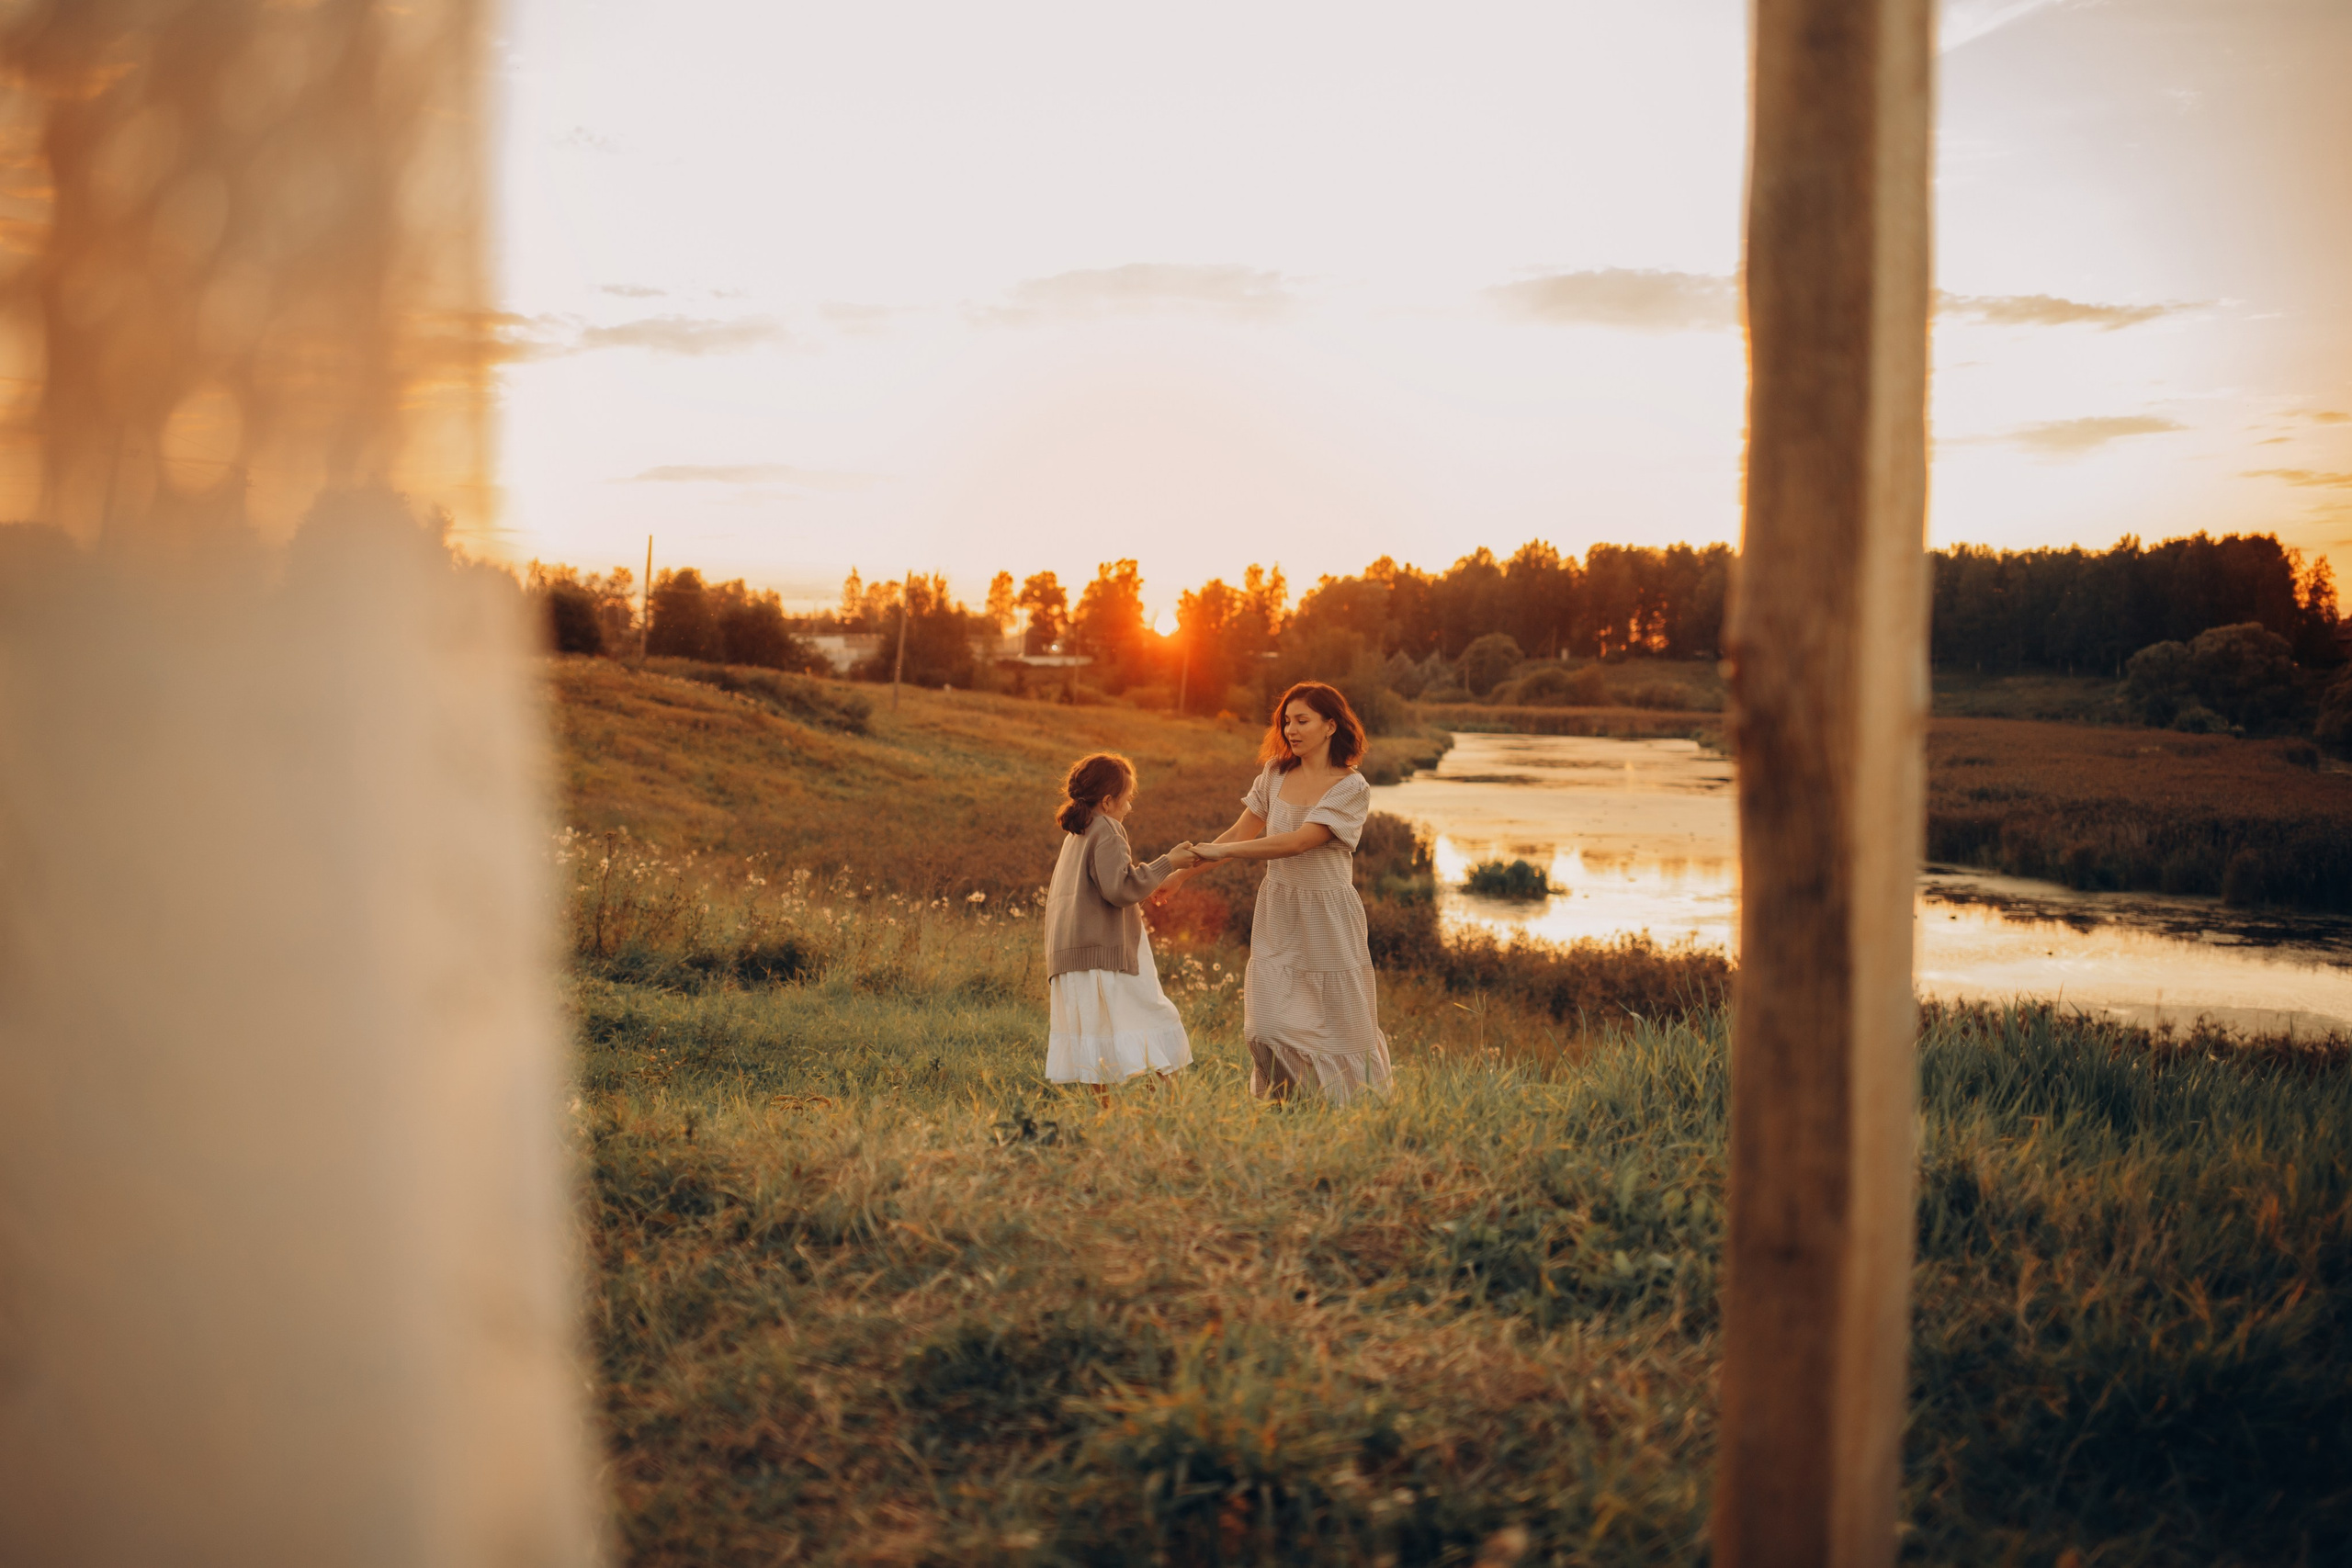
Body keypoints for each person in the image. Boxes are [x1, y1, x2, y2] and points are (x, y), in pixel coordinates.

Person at [1177, 682, 1394, 1102]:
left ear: (1330, 726)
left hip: (1328, 913)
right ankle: (1286, 1104)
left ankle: (1353, 1107)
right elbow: (1242, 832)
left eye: (1302, 720)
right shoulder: (1275, 775)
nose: (1291, 730)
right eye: (1286, 721)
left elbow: (1298, 841)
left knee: (1340, 1022)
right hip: (1279, 907)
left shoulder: (1352, 787)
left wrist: (1223, 850)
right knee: (1267, 1026)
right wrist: (1185, 873)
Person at [1043, 751, 1204, 1100]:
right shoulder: (1108, 829)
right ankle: (1171, 1106)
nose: (1129, 808)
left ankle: (1109, 1117)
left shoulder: (1078, 834)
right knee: (1155, 1017)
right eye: (1127, 799)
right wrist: (1167, 863)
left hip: (1072, 954)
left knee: (1096, 1035)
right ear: (1108, 801)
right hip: (1107, 954)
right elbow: (1119, 889)